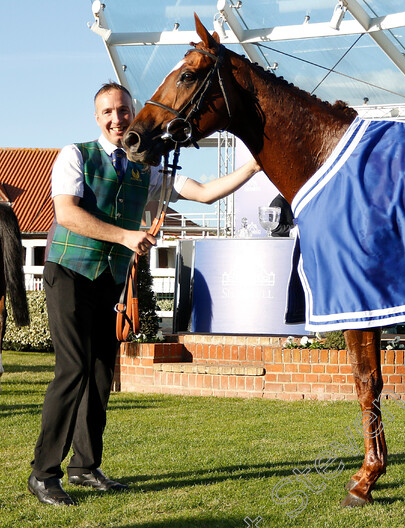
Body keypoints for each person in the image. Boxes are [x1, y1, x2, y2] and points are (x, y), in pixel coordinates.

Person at [28, 82, 262, 507]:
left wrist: (252, 167)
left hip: (107, 278)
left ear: (133, 114)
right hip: (68, 272)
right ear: (97, 118)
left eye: (122, 110)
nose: (117, 118)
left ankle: (84, 467)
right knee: (74, 369)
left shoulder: (150, 170)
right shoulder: (75, 155)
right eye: (108, 112)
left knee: (101, 373)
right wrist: (125, 235)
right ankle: (44, 473)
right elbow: (66, 213)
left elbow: (205, 193)